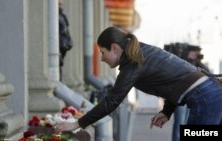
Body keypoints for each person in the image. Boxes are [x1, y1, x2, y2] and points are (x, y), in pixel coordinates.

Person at [54, 26, 222, 133]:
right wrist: (166, 111)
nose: (102, 58)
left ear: (114, 48)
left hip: (205, 100)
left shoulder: (134, 62)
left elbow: (112, 101)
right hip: (211, 95)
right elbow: (174, 81)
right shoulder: (141, 53)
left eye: (102, 52)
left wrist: (77, 124)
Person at [171, 45, 210, 141]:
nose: (195, 55)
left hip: (194, 99)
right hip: (181, 98)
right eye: (193, 52)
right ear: (187, 52)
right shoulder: (181, 62)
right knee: (180, 123)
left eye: (196, 53)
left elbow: (209, 77)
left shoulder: (200, 65)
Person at [59, 0, 73, 81]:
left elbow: (66, 32)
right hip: (57, 52)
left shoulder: (62, 16)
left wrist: (68, 42)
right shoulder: (56, 15)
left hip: (61, 51)